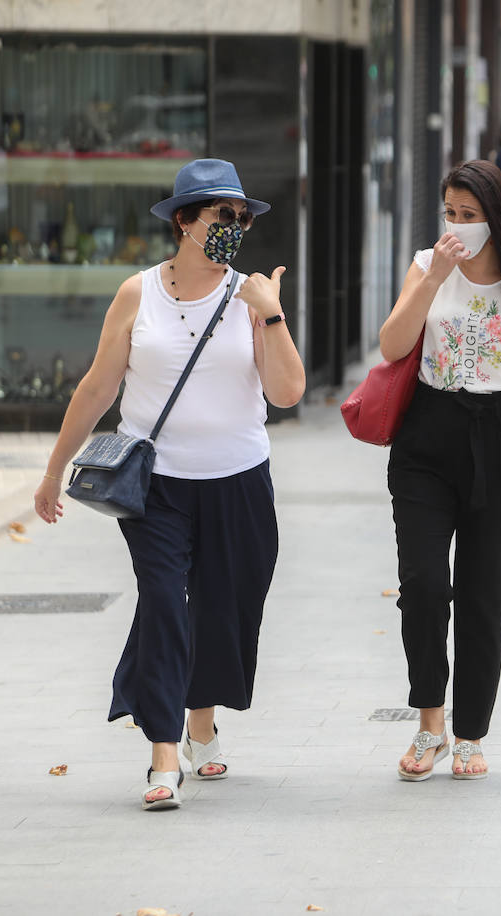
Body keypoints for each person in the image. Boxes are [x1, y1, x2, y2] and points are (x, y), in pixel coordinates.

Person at [32, 158, 305, 811]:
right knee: (162, 599)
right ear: (184, 222)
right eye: (221, 218)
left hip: (238, 480)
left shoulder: (250, 297)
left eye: (240, 219)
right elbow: (98, 386)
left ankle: (201, 722)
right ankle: (163, 754)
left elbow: (288, 391)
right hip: (156, 486)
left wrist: (271, 315)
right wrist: (52, 471)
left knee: (223, 604)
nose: (233, 230)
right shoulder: (138, 294)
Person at [378, 160, 501, 781]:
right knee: (424, 586)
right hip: (425, 440)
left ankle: (470, 735)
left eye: (470, 216)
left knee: (485, 597)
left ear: (498, 217)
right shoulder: (424, 265)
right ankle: (429, 725)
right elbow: (391, 345)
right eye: (450, 214)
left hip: (497, 439)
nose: (459, 227)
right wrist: (431, 279)